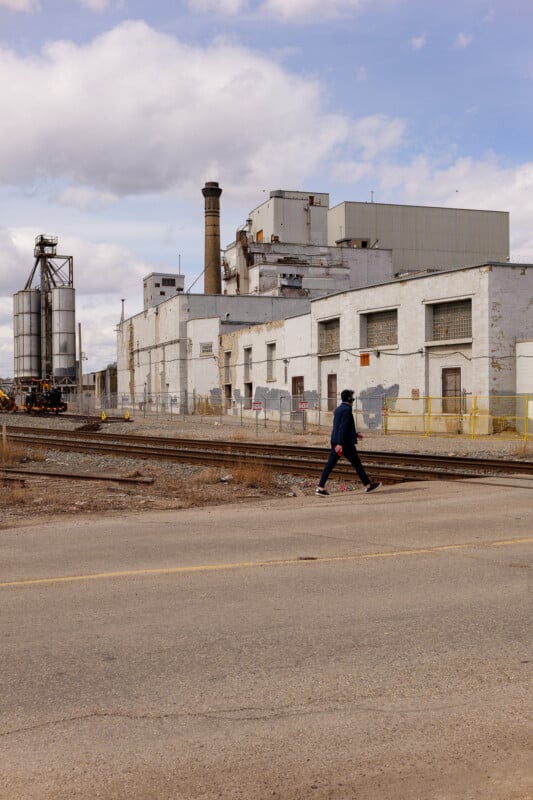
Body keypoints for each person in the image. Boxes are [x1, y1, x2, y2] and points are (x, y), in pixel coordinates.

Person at [316, 389, 381, 496]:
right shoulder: (347, 410)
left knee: (329, 465)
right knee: (357, 464)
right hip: (344, 444)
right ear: (350, 399)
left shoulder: (338, 409)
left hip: (336, 441)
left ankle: (320, 488)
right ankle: (368, 486)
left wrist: (354, 435)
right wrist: (340, 444)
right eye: (353, 398)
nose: (353, 401)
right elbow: (343, 427)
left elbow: (339, 427)